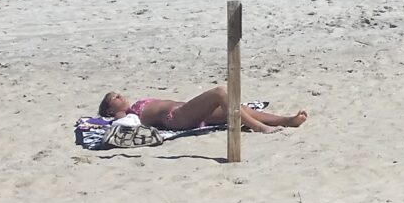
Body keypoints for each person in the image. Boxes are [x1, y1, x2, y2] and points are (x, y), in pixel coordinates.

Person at [98, 87, 307, 133]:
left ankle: (286, 120)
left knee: (235, 108)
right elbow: (120, 124)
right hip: (175, 118)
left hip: (186, 111)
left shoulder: (134, 106)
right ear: (110, 110)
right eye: (114, 98)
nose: (120, 96)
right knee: (220, 93)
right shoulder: (125, 115)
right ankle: (259, 127)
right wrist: (114, 115)